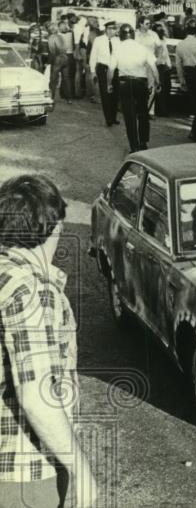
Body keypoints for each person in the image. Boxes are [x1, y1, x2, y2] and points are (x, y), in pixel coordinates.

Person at [0, 175, 97, 508]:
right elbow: (37, 394)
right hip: (21, 475)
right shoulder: (29, 291)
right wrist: (80, 471)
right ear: (53, 229)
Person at [109, 23, 159, 153]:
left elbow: (111, 69)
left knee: (129, 115)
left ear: (121, 35)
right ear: (133, 35)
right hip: (140, 82)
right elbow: (154, 68)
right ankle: (143, 142)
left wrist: (109, 84)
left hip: (125, 83)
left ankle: (134, 145)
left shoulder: (118, 49)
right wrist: (158, 83)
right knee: (143, 113)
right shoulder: (143, 48)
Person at [89, 21, 120, 126]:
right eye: (112, 28)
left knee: (115, 94)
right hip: (103, 68)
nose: (114, 31)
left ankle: (114, 116)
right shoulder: (98, 40)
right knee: (106, 94)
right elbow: (93, 56)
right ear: (106, 29)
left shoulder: (117, 40)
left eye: (115, 28)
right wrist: (93, 71)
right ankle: (108, 118)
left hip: (115, 69)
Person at [151, 23, 172, 117]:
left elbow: (166, 54)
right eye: (158, 30)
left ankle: (163, 108)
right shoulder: (154, 41)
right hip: (158, 65)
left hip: (164, 66)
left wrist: (169, 64)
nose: (161, 32)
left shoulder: (163, 41)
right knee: (159, 88)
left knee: (166, 88)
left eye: (161, 30)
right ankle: (160, 110)